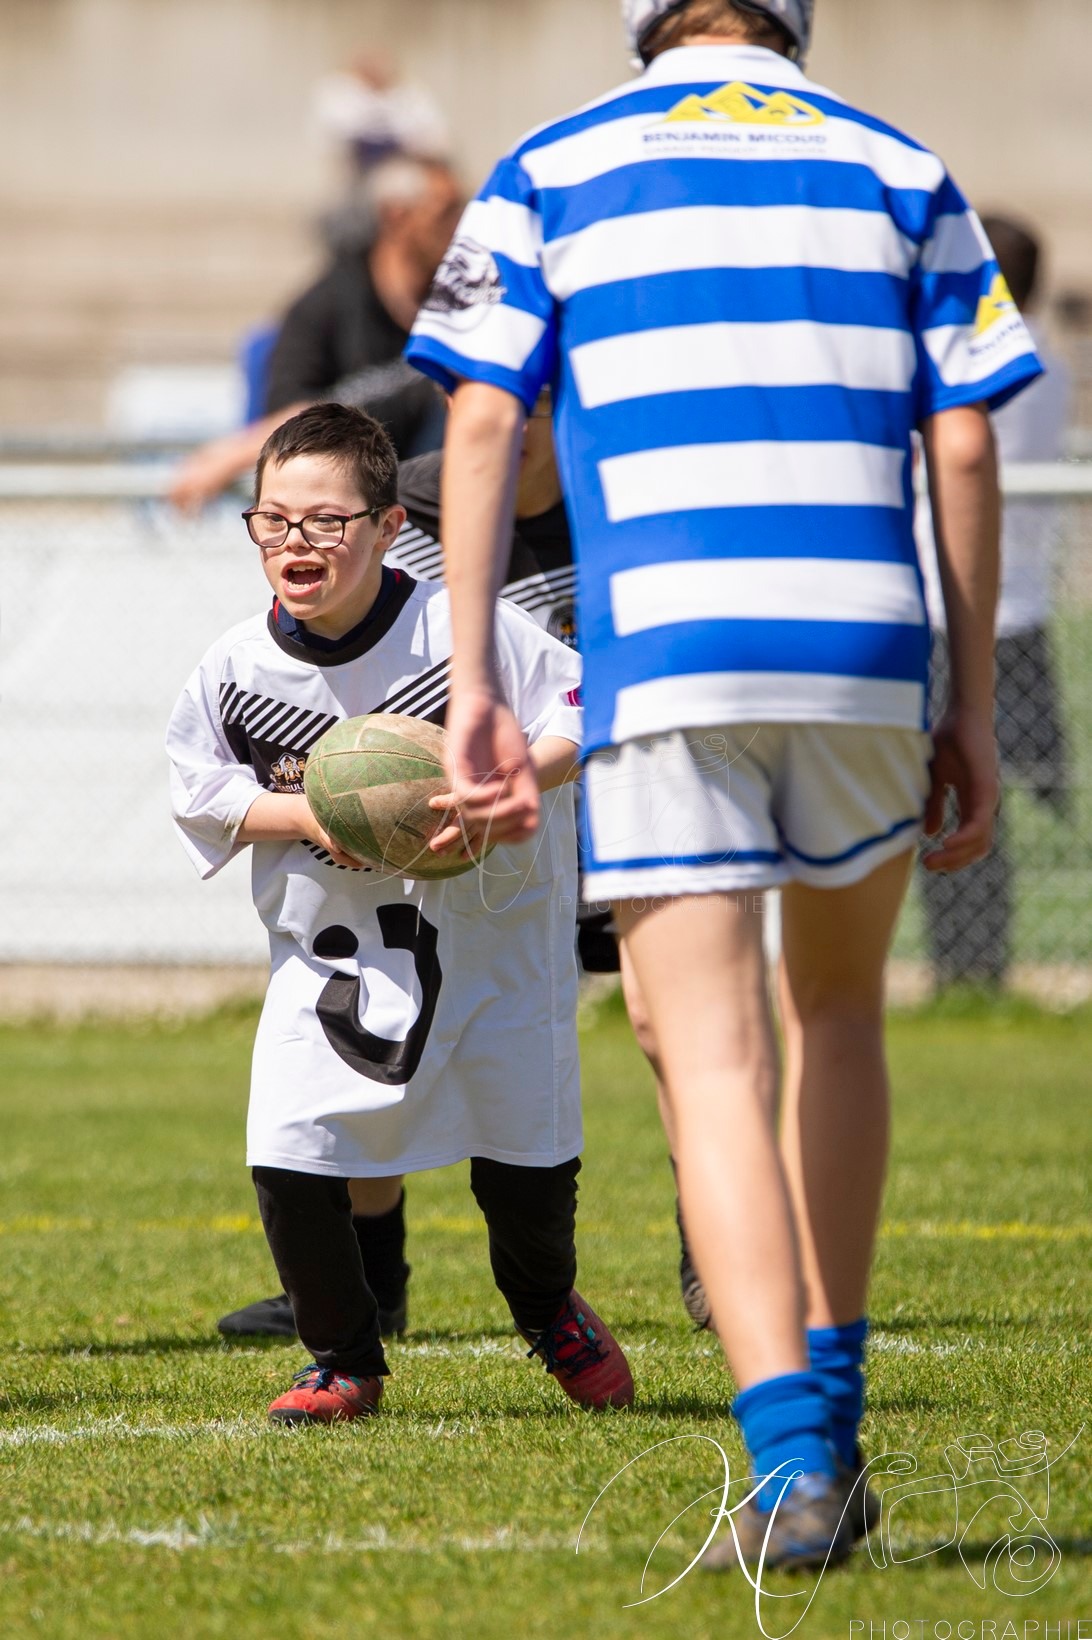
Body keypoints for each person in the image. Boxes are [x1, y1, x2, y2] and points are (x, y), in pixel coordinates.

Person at [404, 0, 1042, 1568]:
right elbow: (966, 450)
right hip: (864, 645)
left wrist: (477, 681)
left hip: (673, 650)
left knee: (710, 1057)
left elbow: (481, 419)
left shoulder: (549, 167)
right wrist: (970, 700)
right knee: (840, 1019)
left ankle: (797, 1466)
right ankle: (835, 1416)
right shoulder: (902, 165)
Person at [166, 403, 633, 1425]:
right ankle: (342, 1358)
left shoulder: (462, 631)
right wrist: (313, 812)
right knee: (290, 1151)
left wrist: (518, 776)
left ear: (387, 528)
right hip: (336, 963)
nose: (296, 541)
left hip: (496, 949)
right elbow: (199, 790)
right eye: (273, 519)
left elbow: (582, 705)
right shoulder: (237, 666)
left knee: (524, 1171)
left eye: (326, 521)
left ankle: (548, 1309)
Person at [915, 215, 1072, 987]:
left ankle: (967, 969)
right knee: (1020, 788)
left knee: (954, 797)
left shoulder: (976, 361)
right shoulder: (1053, 366)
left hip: (953, 607)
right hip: (1024, 606)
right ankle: (982, 968)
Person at [169, 156, 464, 513]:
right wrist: (233, 455)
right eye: (446, 211)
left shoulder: (461, 298)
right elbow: (292, 427)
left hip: (437, 493)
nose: (462, 226)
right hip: (356, 506)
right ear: (396, 214)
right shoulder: (325, 306)